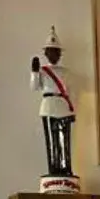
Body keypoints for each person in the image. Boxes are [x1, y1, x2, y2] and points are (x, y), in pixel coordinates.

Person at [30, 27, 78, 188]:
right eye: (50, 51)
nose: (53, 55)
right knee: (51, 141)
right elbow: (34, 87)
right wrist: (34, 72)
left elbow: (71, 92)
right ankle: (53, 169)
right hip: (48, 105)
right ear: (46, 53)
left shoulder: (66, 72)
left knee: (65, 141)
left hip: (63, 105)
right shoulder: (43, 71)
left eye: (56, 52)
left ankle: (66, 169)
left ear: (60, 54)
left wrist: (73, 109)